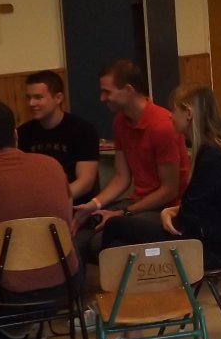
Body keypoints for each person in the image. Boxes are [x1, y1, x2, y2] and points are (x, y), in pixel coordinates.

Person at [103, 86, 221, 270]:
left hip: (206, 248)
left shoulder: (212, 157)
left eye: (173, 110)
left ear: (188, 113)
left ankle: (114, 285)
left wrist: (168, 214)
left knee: (114, 225)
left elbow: (185, 221)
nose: (170, 116)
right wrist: (173, 211)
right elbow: (204, 203)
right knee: (120, 241)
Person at [0, 101, 79, 295]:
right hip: (64, 280)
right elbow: (66, 218)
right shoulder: (52, 165)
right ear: (15, 134)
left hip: (7, 286)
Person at [74, 60, 189, 247]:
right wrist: (94, 204)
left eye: (107, 92)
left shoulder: (162, 126)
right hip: (138, 201)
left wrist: (124, 213)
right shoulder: (120, 122)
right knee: (81, 233)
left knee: (101, 241)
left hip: (167, 207)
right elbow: (122, 177)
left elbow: (169, 190)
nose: (102, 98)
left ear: (128, 90)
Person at [17, 70, 100, 202]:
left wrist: (54, 201)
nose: (31, 103)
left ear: (58, 98)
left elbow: (86, 182)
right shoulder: (23, 133)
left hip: (75, 205)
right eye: (28, 97)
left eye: (38, 97)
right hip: (37, 205)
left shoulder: (83, 130)